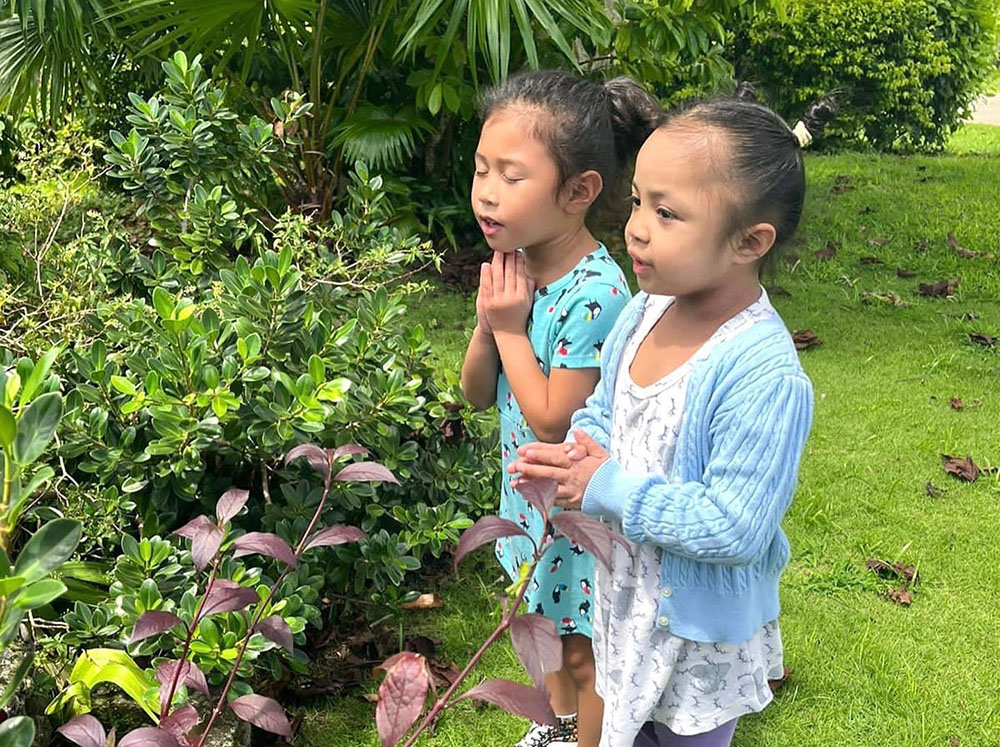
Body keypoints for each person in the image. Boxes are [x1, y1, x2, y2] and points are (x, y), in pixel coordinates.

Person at [507, 92, 835, 746]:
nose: (635, 227)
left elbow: (735, 524)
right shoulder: (644, 311)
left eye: (667, 212)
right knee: (615, 713)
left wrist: (607, 487)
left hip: (695, 635)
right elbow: (605, 408)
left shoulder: (762, 373)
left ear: (750, 241)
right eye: (636, 201)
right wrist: (576, 456)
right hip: (626, 594)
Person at [460, 70, 661, 747]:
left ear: (578, 192)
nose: (487, 191)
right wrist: (492, 323)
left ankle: (592, 738)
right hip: (528, 499)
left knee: (582, 646)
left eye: (511, 176)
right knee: (543, 631)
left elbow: (554, 417)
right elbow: (477, 391)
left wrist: (510, 326)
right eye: (482, 169)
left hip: (577, 510)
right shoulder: (511, 268)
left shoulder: (596, 292)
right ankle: (557, 725)